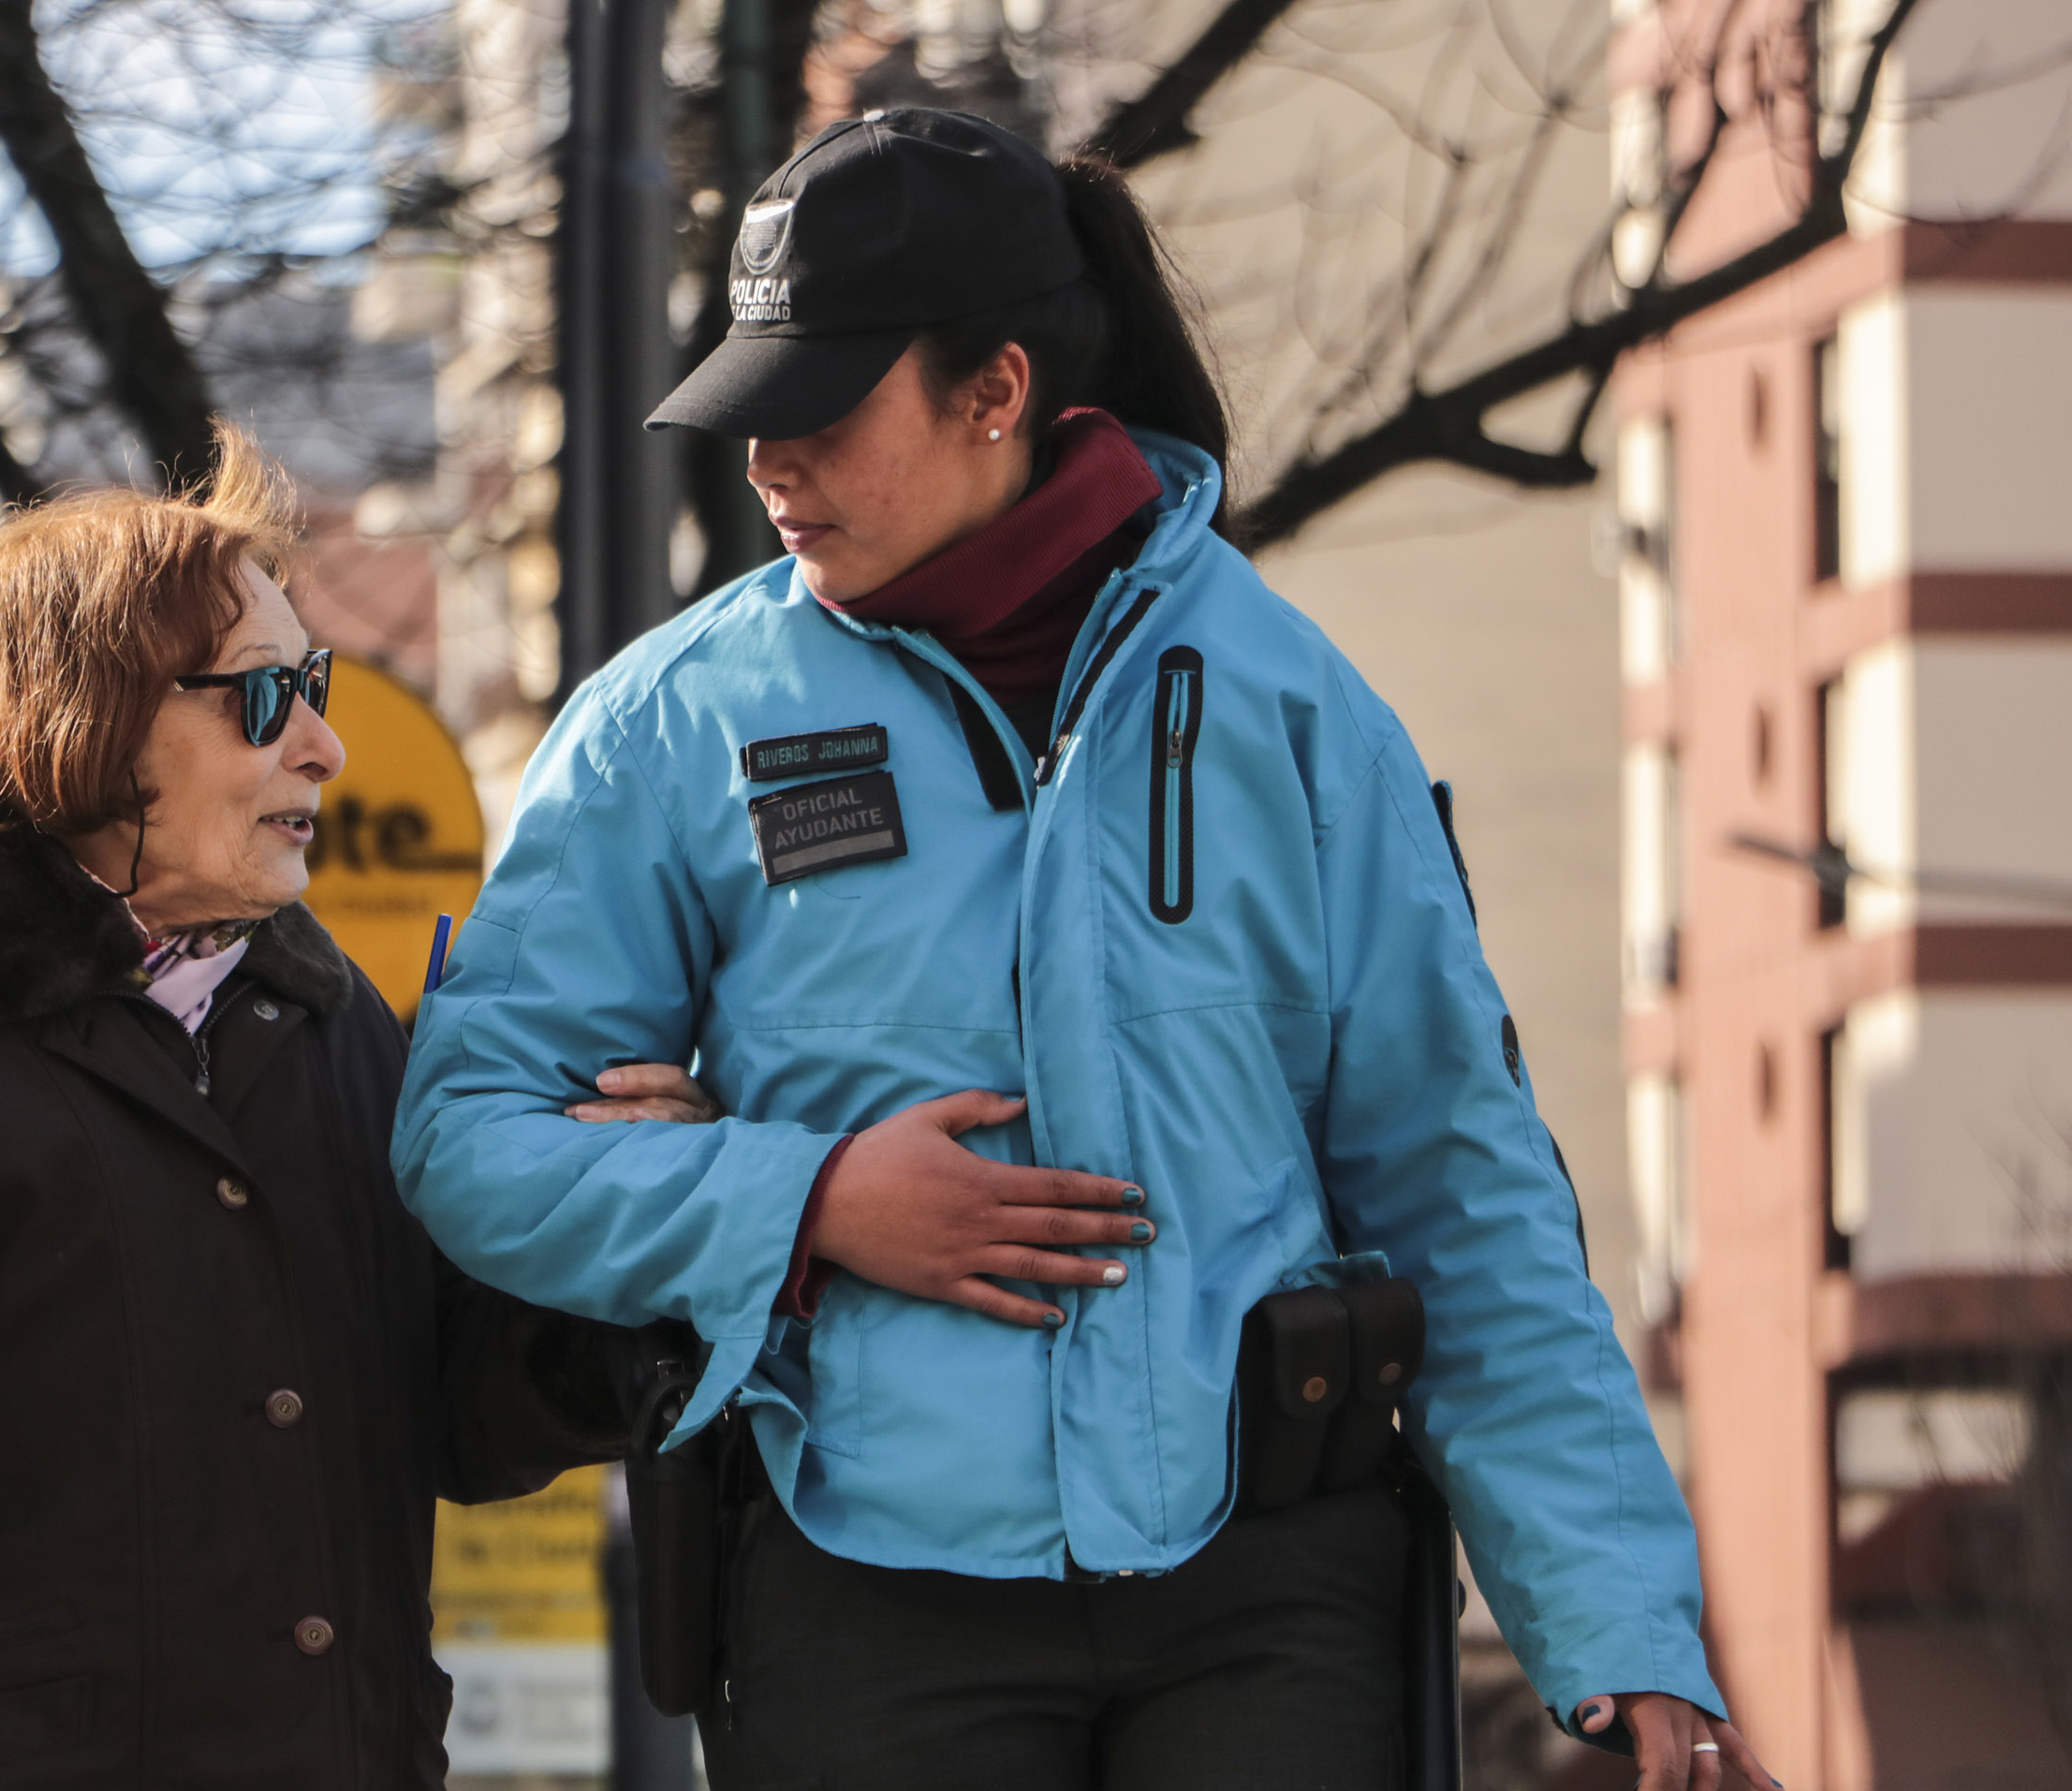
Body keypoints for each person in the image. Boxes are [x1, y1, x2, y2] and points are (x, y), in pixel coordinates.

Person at [396, 110, 1772, 1791]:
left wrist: (1623, 1629)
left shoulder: (1298, 709)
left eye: (818, 409)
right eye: (749, 409)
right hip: (865, 1601)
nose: (766, 462)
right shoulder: (662, 731)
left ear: (996, 389)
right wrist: (806, 1200)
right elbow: (463, 1135)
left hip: (1272, 1600)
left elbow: (1463, 1184)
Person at [0, 427, 706, 1789]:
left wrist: (605, 1227)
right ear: (84, 716)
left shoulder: (331, 1021)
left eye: (315, 686)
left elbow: (444, 1416)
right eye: (262, 697)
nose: (325, 745)